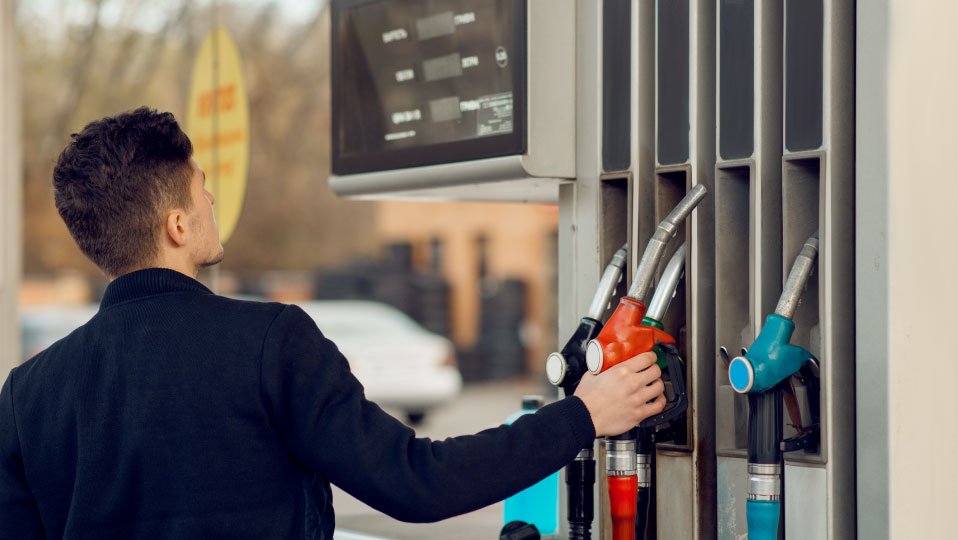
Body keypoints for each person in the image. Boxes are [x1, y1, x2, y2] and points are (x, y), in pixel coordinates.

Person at [0, 108, 666, 539]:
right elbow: (417, 482)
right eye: (200, 186)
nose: (209, 197)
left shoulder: (28, 396)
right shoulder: (270, 344)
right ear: (177, 226)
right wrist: (583, 415)